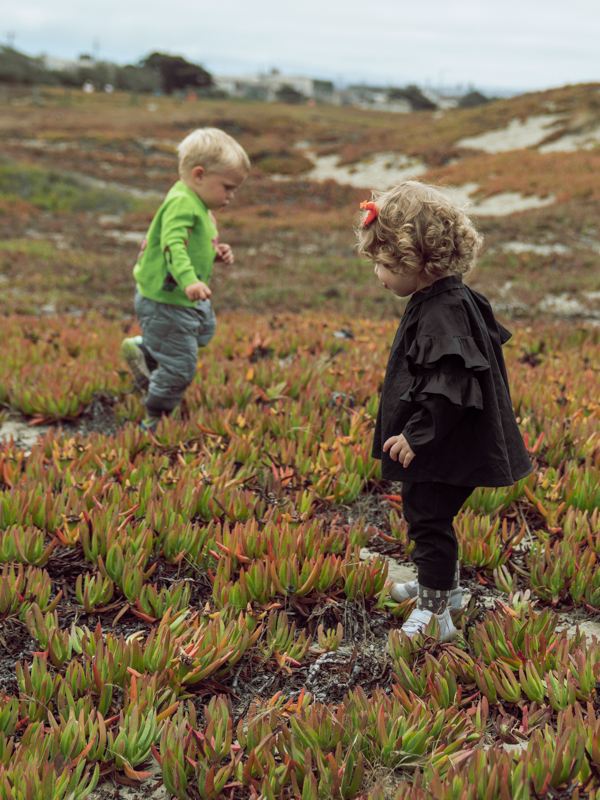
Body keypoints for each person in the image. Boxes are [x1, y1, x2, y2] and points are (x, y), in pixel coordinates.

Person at [356, 182, 533, 641]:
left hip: (445, 443)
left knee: (427, 515)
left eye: (383, 262)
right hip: (459, 439)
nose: (377, 272)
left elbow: (450, 383)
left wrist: (418, 434)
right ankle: (444, 589)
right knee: (431, 514)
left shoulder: (442, 313)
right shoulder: (456, 299)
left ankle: (436, 616)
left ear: (414, 259)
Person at [121, 128, 250, 431]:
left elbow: (191, 243)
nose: (231, 196)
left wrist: (213, 254)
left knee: (204, 331)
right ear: (199, 175)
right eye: (227, 187)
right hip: (166, 300)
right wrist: (189, 281)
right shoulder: (181, 202)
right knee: (180, 369)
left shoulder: (198, 203)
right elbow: (172, 245)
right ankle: (156, 416)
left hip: (180, 297)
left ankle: (146, 350)